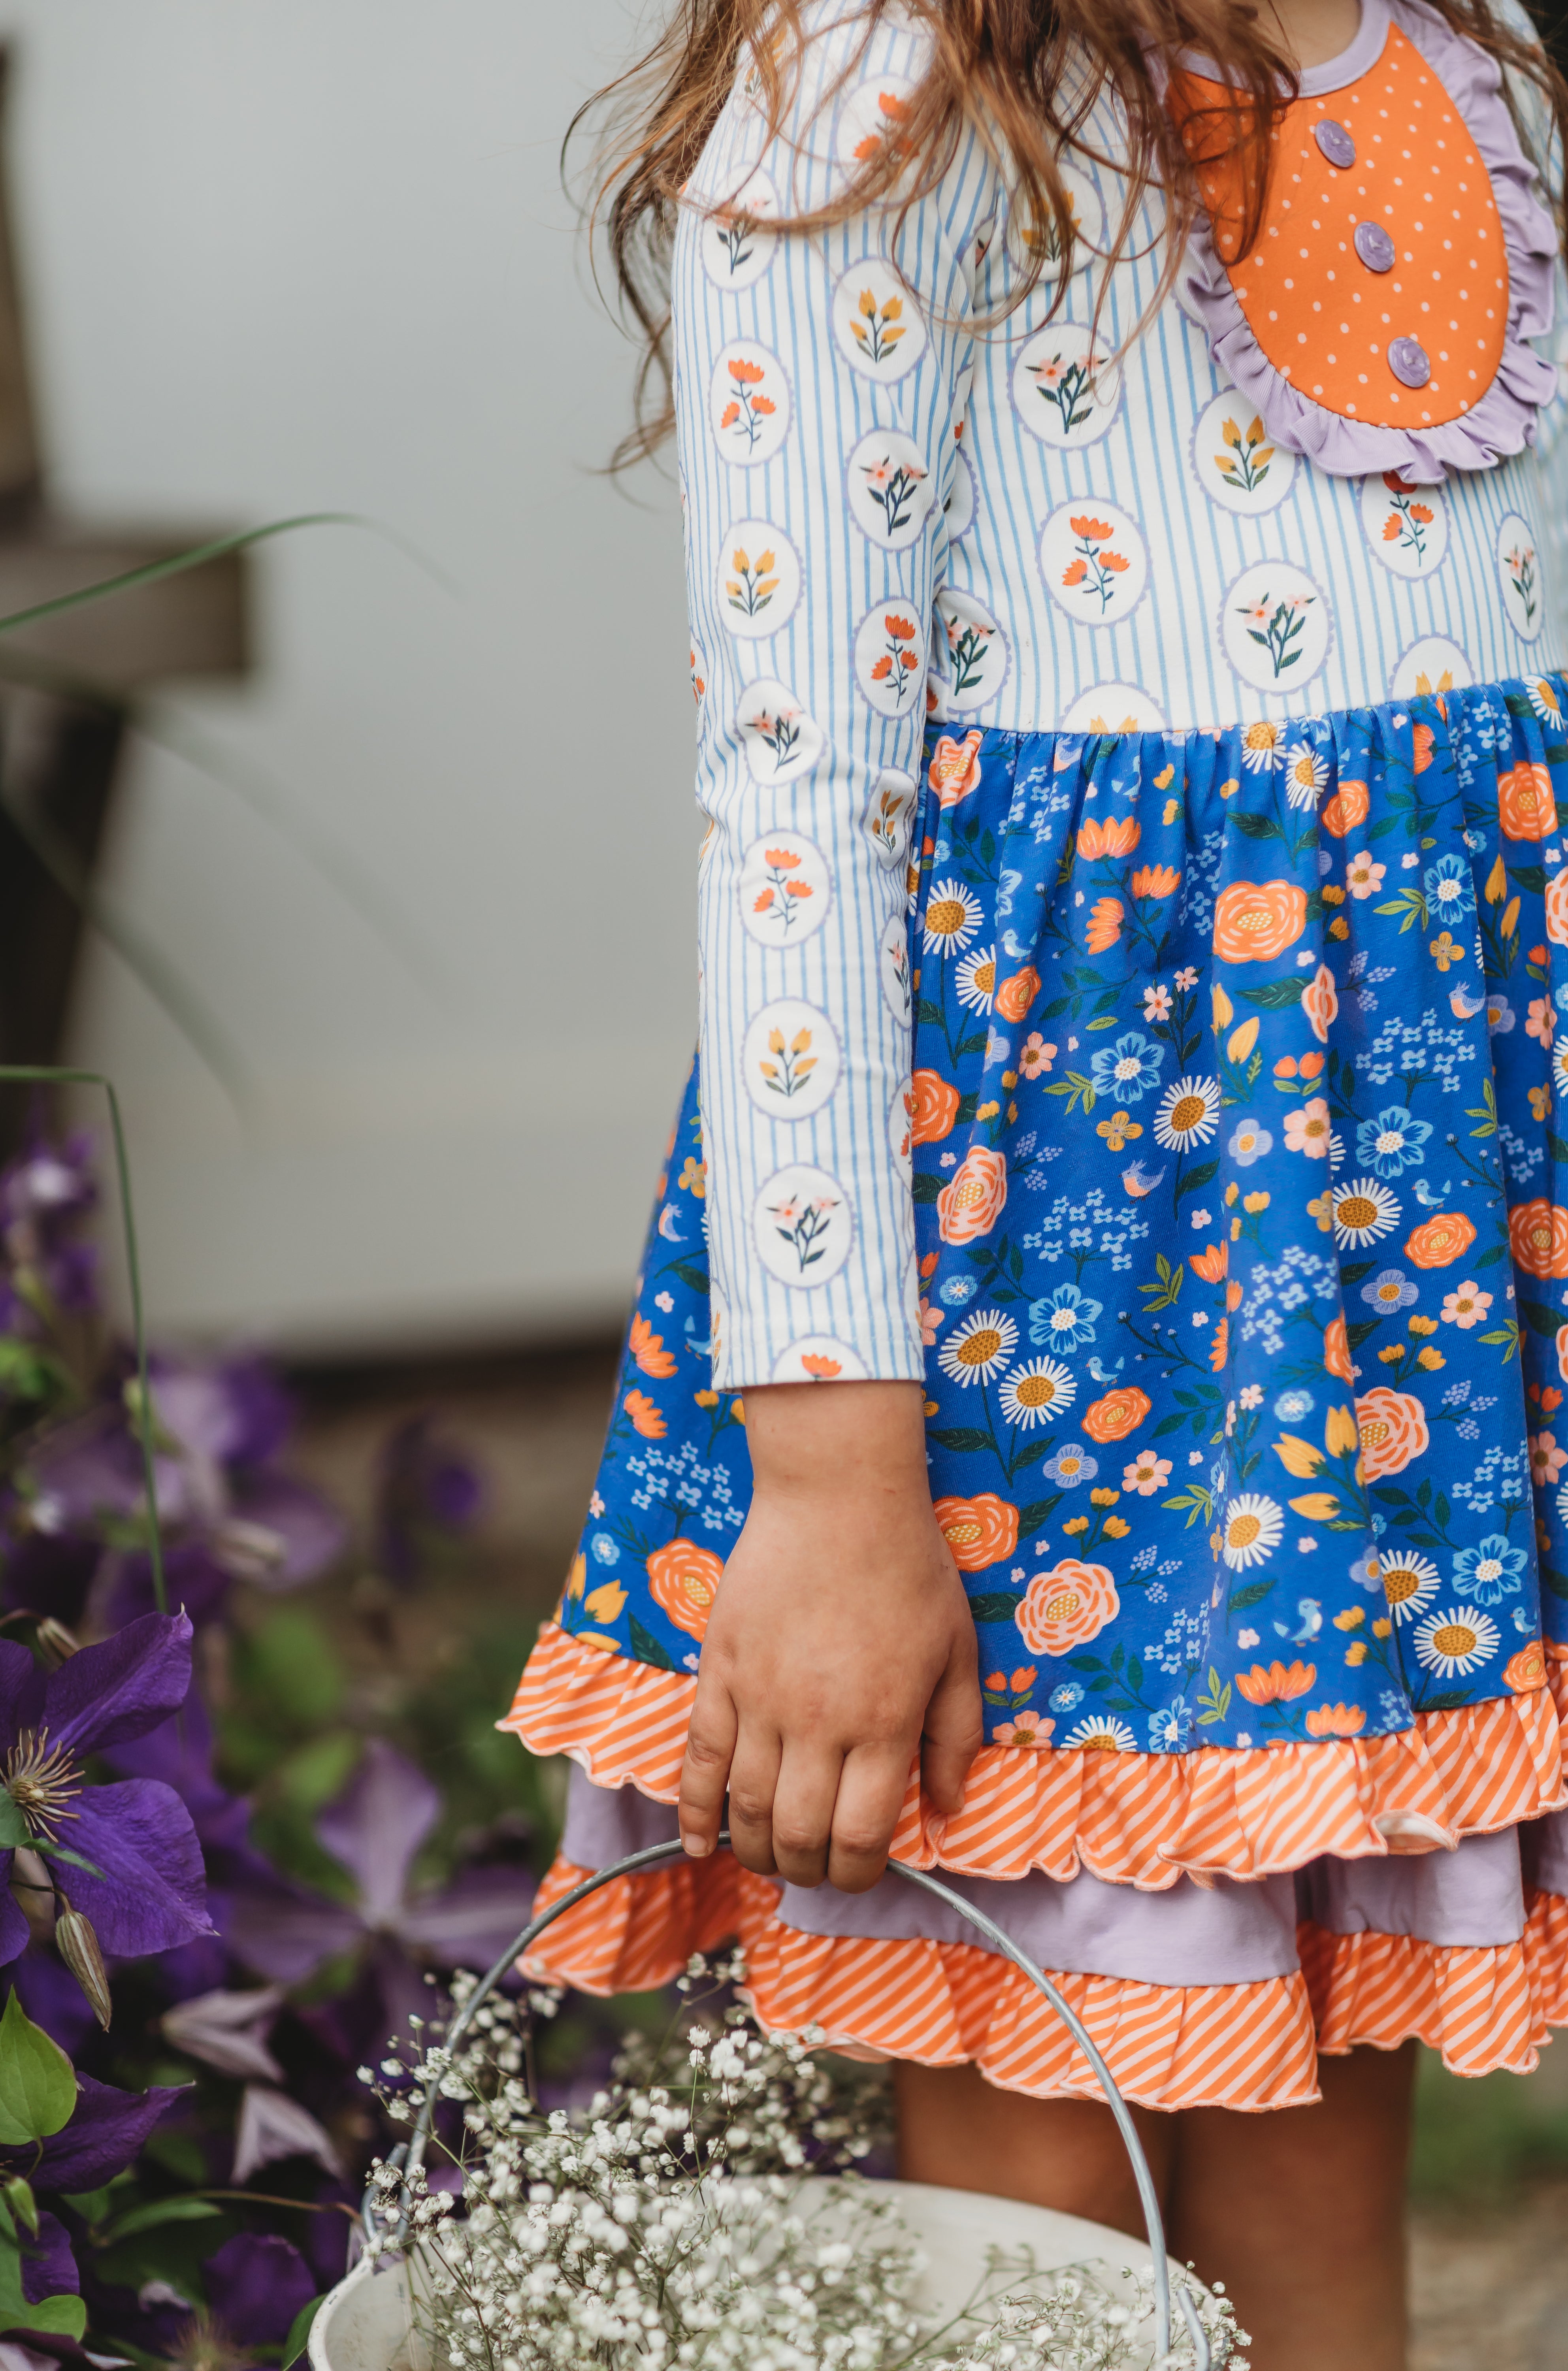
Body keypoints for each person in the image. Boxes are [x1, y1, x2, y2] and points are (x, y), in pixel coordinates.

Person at [504, 0, 1568, 2358]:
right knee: (1045, 2100)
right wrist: (832, 1474)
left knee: (1332, 1999)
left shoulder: (1452, 39)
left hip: (1388, 1276)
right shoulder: (890, 72)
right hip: (1061, 1286)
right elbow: (797, 793)